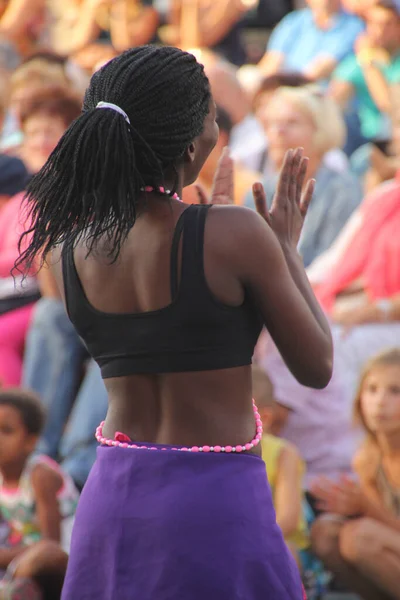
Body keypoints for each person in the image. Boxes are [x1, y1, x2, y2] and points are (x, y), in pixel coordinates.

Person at [18, 46, 333, 599]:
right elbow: (317, 365)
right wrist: (283, 250)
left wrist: (219, 229)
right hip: (216, 503)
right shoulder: (236, 234)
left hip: (112, 497)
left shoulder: (68, 250)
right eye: (213, 116)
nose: (219, 127)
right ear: (191, 145)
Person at [311, 348, 400, 600]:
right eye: (371, 390)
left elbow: (377, 524)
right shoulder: (367, 458)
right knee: (324, 532)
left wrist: (365, 506)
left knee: (361, 538)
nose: (380, 401)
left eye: (395, 391)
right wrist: (351, 505)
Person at [245, 86, 363, 266]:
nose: (278, 132)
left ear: (320, 129)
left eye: (291, 123)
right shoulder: (261, 188)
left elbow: (331, 265)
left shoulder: (343, 190)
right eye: (272, 123)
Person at [0, 389, 78, 562]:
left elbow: (51, 545)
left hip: (61, 560)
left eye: (6, 431)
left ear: (31, 442)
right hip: (24, 552)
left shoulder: (40, 475)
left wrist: (5, 557)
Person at [252, 366, 309, 568]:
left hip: (281, 541)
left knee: (282, 552)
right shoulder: (216, 452)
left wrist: (248, 541)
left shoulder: (283, 454)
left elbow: (288, 520)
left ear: (264, 418)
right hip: (237, 544)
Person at [330, 0, 400, 144]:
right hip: (363, 138)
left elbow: (389, 106)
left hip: (391, 138)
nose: (380, 31)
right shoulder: (357, 61)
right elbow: (333, 102)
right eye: (374, 24)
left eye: (387, 24)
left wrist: (368, 62)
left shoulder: (366, 59)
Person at [259, 0, 364, 82]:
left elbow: (319, 70)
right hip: (284, 88)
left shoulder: (353, 26)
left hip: (319, 96)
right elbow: (272, 61)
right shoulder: (293, 20)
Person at [183, 106, 262, 206]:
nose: (189, 144)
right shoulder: (184, 184)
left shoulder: (250, 186)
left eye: (195, 135)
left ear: (219, 138)